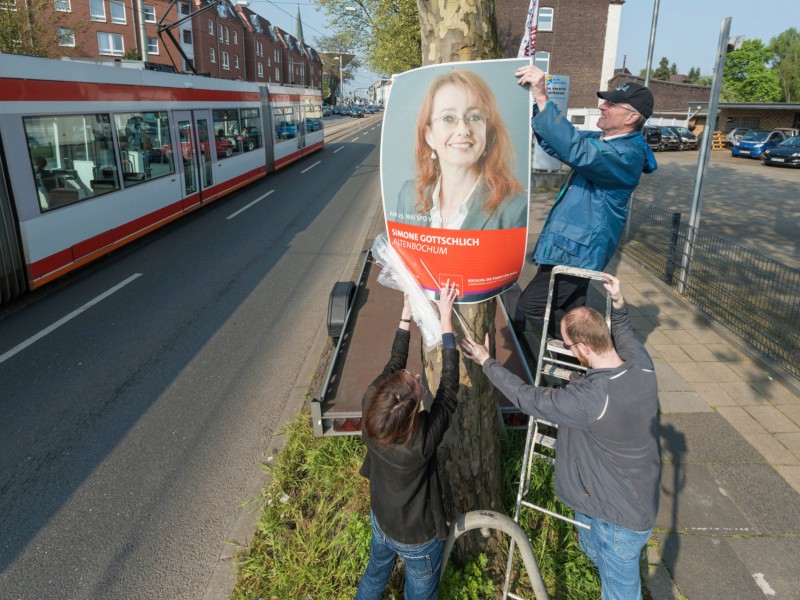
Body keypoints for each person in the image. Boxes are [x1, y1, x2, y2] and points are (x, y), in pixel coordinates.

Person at [461, 273, 660, 600]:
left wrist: (486, 362)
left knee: (621, 593)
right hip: (633, 499)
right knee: (601, 557)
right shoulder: (641, 365)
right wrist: (619, 302)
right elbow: (623, 329)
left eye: (567, 345)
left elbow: (529, 399)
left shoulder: (592, 398)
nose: (567, 349)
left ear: (582, 347)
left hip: (618, 519)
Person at [514, 64, 657, 337]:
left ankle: (592, 356)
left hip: (578, 251)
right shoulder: (603, 140)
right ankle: (579, 368)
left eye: (612, 103)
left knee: (532, 306)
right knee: (570, 311)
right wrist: (536, 104)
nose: (603, 106)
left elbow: (576, 150)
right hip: (568, 245)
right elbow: (557, 143)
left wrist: (543, 97)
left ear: (631, 117)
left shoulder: (627, 154)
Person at [356, 281, 461, 600]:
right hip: (418, 539)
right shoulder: (423, 442)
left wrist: (405, 317)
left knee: (375, 576)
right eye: (417, 387)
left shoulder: (371, 405)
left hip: (382, 519)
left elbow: (394, 365)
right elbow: (449, 389)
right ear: (414, 414)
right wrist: (446, 320)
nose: (417, 376)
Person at [393, 70, 528, 230]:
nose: (463, 130)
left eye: (474, 117)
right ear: (430, 136)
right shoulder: (408, 195)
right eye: (448, 118)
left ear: (487, 132)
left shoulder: (515, 209)